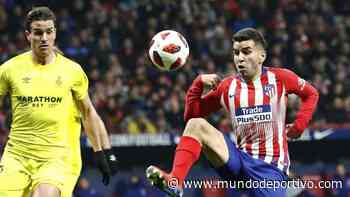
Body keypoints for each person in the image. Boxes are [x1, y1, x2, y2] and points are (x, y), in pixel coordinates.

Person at [146, 28, 319, 197]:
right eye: (236, 53)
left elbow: (311, 93)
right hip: (238, 161)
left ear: (262, 56)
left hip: (269, 169)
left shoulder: (280, 78)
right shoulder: (227, 86)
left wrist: (299, 126)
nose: (240, 58)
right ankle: (174, 183)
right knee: (196, 125)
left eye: (246, 51)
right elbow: (192, 117)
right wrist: (197, 85)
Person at [0, 6, 117, 197]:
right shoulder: (9, 69)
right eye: (38, 33)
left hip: (56, 157)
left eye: (49, 32)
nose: (44, 38)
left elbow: (88, 113)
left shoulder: (72, 71)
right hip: (17, 155)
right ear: (28, 35)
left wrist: (102, 152)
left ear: (55, 33)